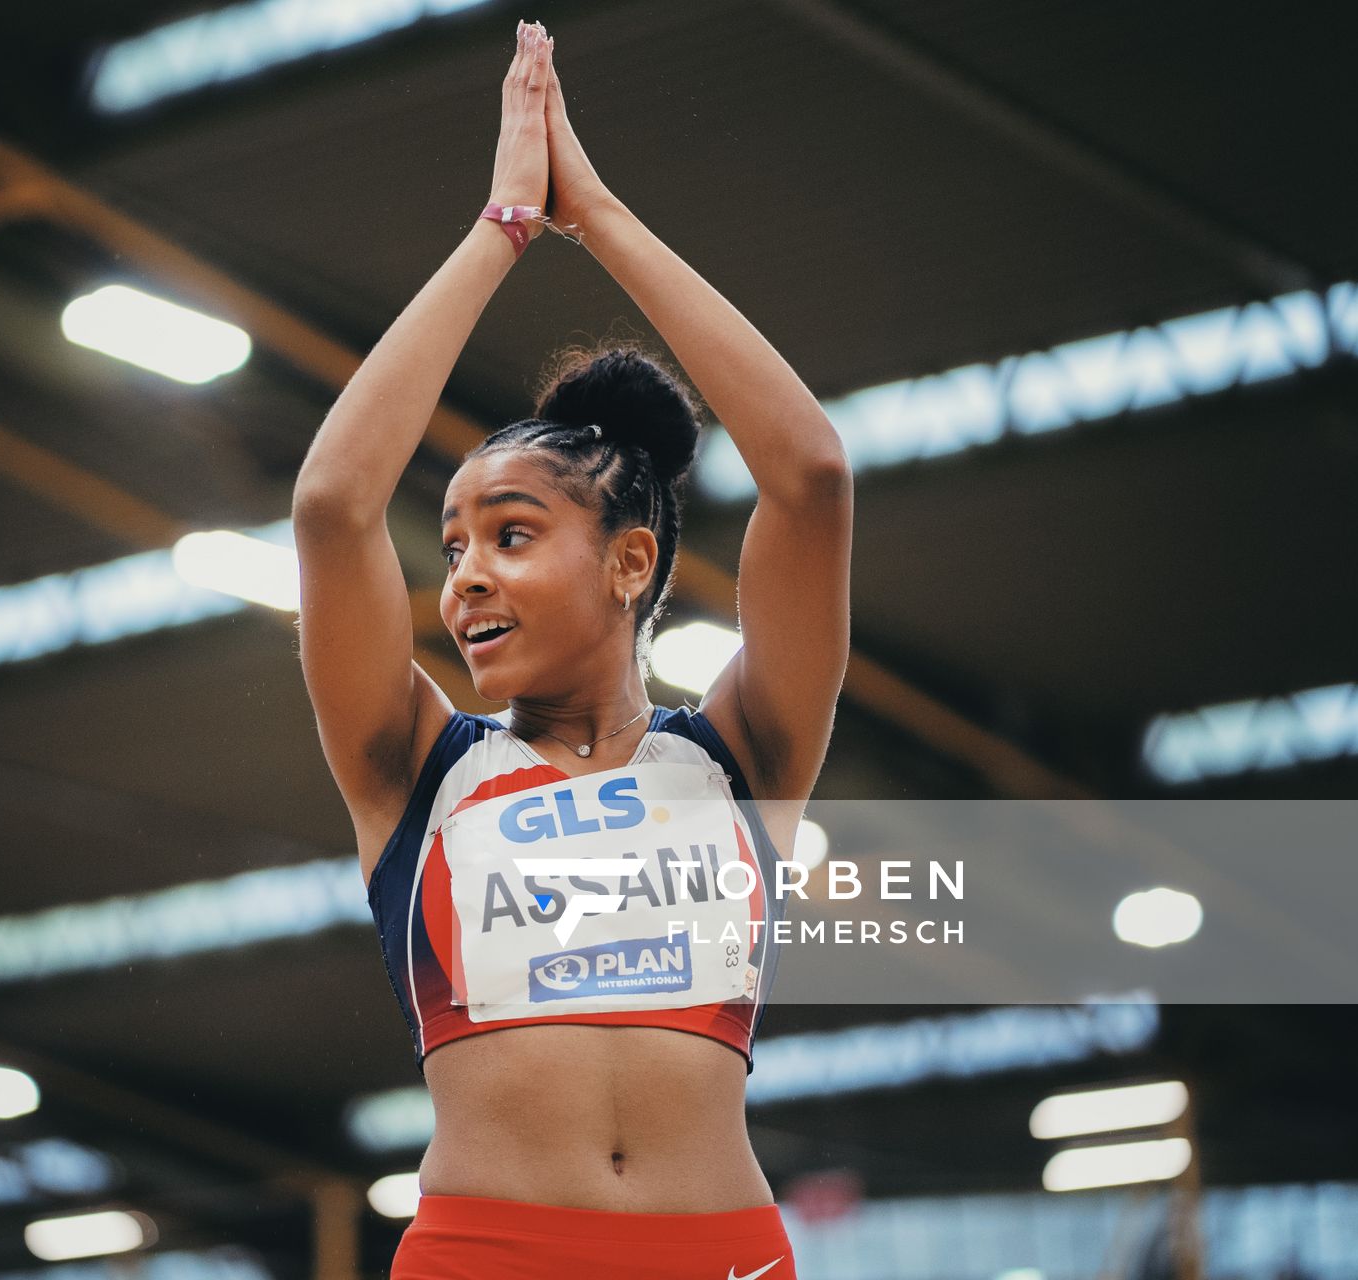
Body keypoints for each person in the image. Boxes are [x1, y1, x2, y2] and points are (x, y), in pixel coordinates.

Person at [291, 17, 852, 1278]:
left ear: (629, 562)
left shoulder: (741, 756)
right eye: (451, 547)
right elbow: (332, 504)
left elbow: (811, 475)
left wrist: (591, 212)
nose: (468, 575)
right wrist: (503, 226)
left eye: (510, 532)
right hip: (484, 1250)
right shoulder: (417, 768)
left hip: (723, 1251)